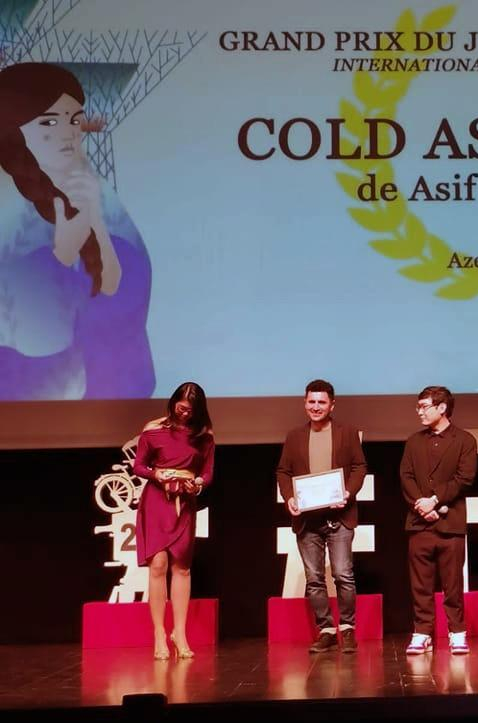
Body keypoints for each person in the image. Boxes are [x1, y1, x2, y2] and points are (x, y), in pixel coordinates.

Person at [0, 62, 154, 400]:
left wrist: (95, 222)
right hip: (27, 397)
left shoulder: (90, 186)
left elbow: (120, 285)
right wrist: (60, 259)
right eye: (49, 122)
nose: (68, 133)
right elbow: (32, 332)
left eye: (73, 120)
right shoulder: (9, 202)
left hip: (103, 391)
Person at [277, 379, 367, 653]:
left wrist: (347, 493)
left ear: (332, 405)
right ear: (305, 403)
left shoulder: (346, 432)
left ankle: (348, 628)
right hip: (307, 520)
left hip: (340, 517)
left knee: (343, 574)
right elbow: (284, 472)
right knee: (314, 578)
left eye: (322, 402)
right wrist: (289, 497)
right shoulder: (294, 436)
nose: (316, 407)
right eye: (311, 401)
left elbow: (359, 466)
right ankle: (326, 630)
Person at [133, 382, 214, 660]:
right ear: (173, 402)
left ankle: (179, 633)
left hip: (185, 503)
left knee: (182, 567)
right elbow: (139, 465)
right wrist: (156, 474)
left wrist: (198, 483)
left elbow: (207, 472)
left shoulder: (203, 435)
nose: (184, 413)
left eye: (190, 410)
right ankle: (159, 633)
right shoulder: (153, 429)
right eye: (181, 408)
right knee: (158, 564)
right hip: (157, 501)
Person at [399, 386, 477, 655]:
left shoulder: (464, 440)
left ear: (442, 408)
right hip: (419, 523)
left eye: (424, 406)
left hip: (450, 524)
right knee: (420, 584)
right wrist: (421, 506)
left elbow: (464, 478)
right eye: (418, 407)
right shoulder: (413, 441)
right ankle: (422, 632)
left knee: (452, 584)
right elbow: (406, 477)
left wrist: (435, 500)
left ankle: (457, 632)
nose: (419, 412)